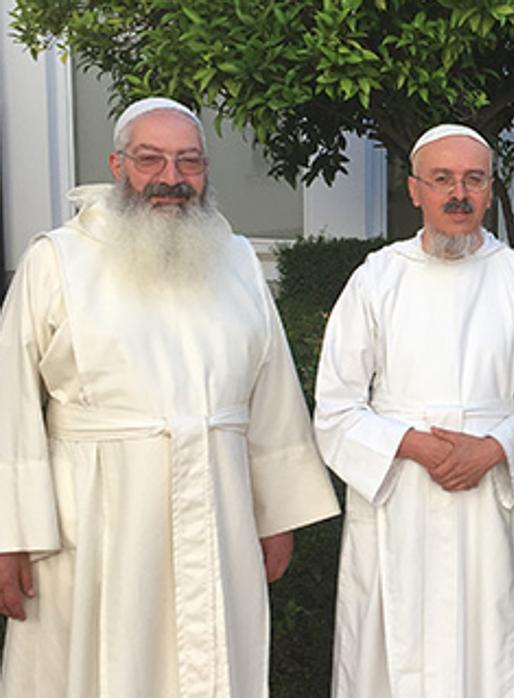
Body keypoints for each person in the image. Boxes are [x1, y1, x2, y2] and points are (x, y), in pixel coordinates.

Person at [0, 97, 340, 697]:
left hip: (219, 513)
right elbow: (12, 405)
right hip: (94, 520)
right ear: (117, 165)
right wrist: (12, 535)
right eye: (150, 159)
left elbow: (272, 394)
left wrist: (277, 515)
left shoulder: (234, 260)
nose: (171, 179)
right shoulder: (56, 260)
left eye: (189, 162)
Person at [314, 124, 514, 698]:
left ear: (491, 190)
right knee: (386, 648)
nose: (459, 194)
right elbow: (336, 405)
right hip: (399, 499)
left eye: (473, 179)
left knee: (487, 645)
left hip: (484, 509)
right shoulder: (377, 279)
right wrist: (415, 446)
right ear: (415, 189)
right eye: (442, 179)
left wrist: (493, 449)